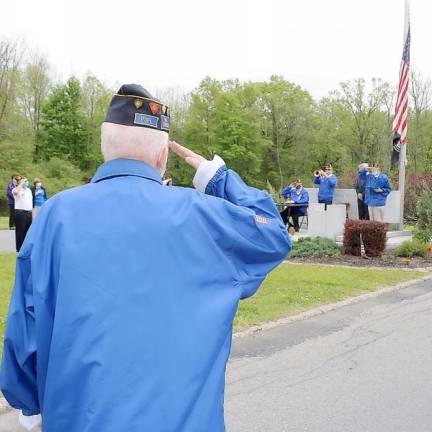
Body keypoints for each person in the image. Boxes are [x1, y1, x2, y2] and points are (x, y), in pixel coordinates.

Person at [0, 84, 292, 432]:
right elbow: (273, 233)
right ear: (161, 158)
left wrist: (32, 407)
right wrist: (216, 178)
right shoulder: (204, 216)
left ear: (104, 149)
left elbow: (24, 332)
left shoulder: (55, 216)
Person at [12, 175, 33, 252]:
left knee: (27, 232)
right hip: (20, 213)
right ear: (19, 182)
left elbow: (31, 203)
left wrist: (32, 214)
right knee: (20, 232)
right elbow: (15, 192)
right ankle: (19, 249)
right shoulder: (16, 189)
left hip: (28, 213)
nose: (26, 182)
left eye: (26, 181)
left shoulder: (29, 190)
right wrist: (20, 184)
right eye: (25, 181)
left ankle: (26, 248)